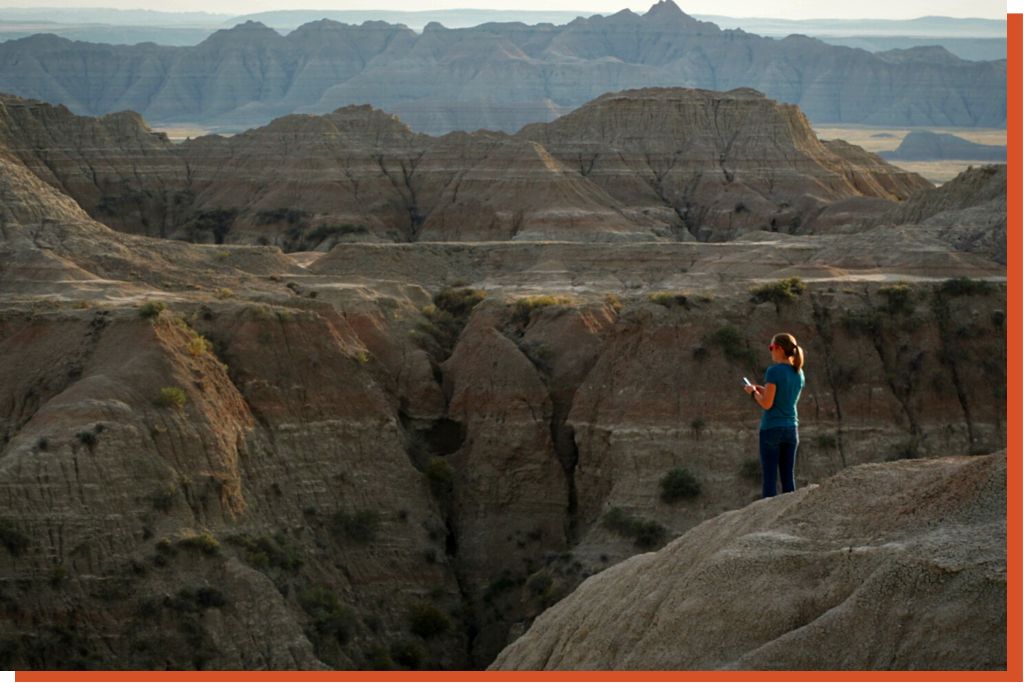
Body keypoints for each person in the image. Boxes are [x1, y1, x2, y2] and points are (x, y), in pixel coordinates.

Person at [743, 333, 805, 498]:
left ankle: (768, 521)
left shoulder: (773, 371)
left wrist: (752, 393)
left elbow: (767, 404)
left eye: (771, 348)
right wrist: (762, 390)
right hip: (791, 428)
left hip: (771, 428)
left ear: (779, 349)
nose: (770, 351)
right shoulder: (799, 373)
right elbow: (783, 397)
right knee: (788, 478)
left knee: (770, 479)